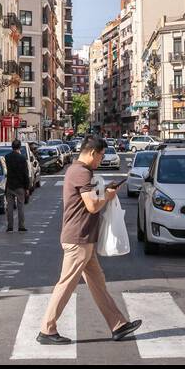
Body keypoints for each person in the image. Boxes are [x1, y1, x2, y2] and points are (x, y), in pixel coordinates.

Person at [38, 135, 141, 346]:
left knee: (98, 283)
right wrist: (109, 196)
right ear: (92, 152)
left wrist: (104, 190)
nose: (101, 160)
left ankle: (118, 324)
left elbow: (88, 199)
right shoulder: (81, 172)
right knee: (66, 284)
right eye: (101, 156)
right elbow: (92, 206)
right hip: (79, 238)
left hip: (84, 238)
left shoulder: (78, 171)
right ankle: (47, 330)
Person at [3, 139, 31, 232]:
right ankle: (21, 226)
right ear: (19, 147)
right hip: (20, 186)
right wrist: (27, 187)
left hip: (10, 184)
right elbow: (25, 174)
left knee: (9, 207)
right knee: (20, 206)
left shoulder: (7, 157)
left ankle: (10, 226)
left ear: (12, 147)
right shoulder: (22, 159)